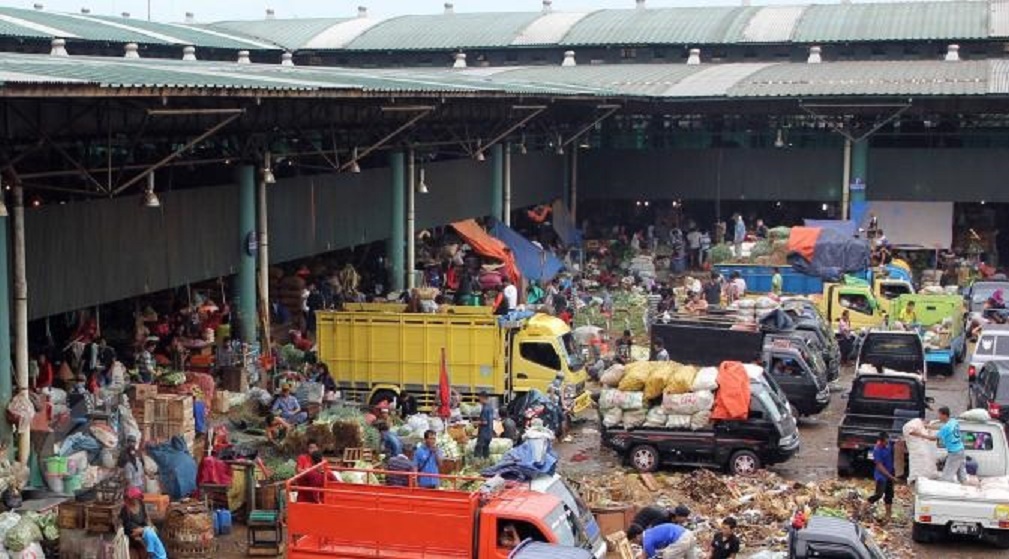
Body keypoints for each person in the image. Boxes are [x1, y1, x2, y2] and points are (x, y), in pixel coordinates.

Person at [914, 406, 967, 484]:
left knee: (946, 477)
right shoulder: (954, 421)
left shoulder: (946, 427)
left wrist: (920, 434)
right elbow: (941, 428)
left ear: (944, 415)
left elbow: (933, 438)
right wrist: (928, 426)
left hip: (954, 453)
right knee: (961, 476)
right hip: (961, 450)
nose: (938, 417)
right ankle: (965, 490)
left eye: (939, 415)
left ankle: (945, 493)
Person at [122, 487, 168, 559]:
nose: (136, 500)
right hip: (133, 532)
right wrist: (141, 532)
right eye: (134, 498)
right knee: (142, 543)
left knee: (156, 533)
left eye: (137, 498)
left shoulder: (141, 504)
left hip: (143, 529)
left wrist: (151, 526)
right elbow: (127, 526)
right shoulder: (125, 509)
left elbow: (146, 518)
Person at [867, 432, 896, 523]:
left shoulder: (888, 445)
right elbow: (880, 466)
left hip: (890, 474)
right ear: (881, 441)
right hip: (881, 476)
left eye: (888, 441)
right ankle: (864, 507)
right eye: (885, 442)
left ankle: (888, 516)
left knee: (889, 495)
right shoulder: (877, 450)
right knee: (878, 494)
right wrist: (890, 476)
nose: (887, 443)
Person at [628, 522, 696, 559]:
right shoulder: (648, 533)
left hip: (680, 538)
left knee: (667, 556)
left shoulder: (647, 542)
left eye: (634, 541)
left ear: (637, 536)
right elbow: (647, 551)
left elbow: (653, 557)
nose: (636, 543)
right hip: (688, 533)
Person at [475, 390, 495, 459]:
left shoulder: (485, 408)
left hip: (483, 434)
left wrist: (475, 423)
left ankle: (478, 466)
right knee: (486, 452)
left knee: (478, 452)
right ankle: (486, 465)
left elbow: (485, 422)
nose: (479, 400)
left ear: (482, 398)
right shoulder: (491, 408)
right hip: (489, 434)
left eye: (479, 398)